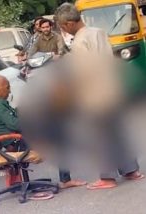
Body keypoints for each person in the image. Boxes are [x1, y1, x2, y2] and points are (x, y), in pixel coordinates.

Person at [54, 2, 144, 190]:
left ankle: (107, 177)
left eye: (62, 27)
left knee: (101, 137)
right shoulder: (99, 32)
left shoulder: (79, 42)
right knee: (119, 133)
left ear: (68, 23)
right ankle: (131, 170)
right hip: (112, 89)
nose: (64, 31)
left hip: (95, 95)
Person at [0, 74, 87, 189]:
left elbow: (13, 119)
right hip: (19, 143)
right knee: (59, 135)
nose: (9, 91)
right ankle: (66, 180)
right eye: (7, 87)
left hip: (17, 140)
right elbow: (15, 124)